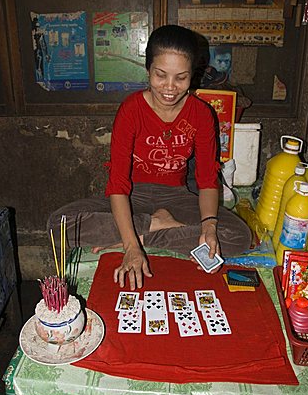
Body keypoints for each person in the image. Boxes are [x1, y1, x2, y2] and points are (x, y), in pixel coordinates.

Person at [47, 25, 251, 290]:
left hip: (177, 196)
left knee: (239, 237)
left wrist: (209, 226)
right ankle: (153, 225)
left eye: (181, 77)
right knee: (57, 227)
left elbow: (207, 180)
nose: (170, 87)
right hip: (133, 195)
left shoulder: (201, 114)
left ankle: (142, 235)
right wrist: (132, 246)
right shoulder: (131, 111)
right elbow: (118, 184)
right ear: (148, 70)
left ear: (193, 76)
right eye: (160, 75)